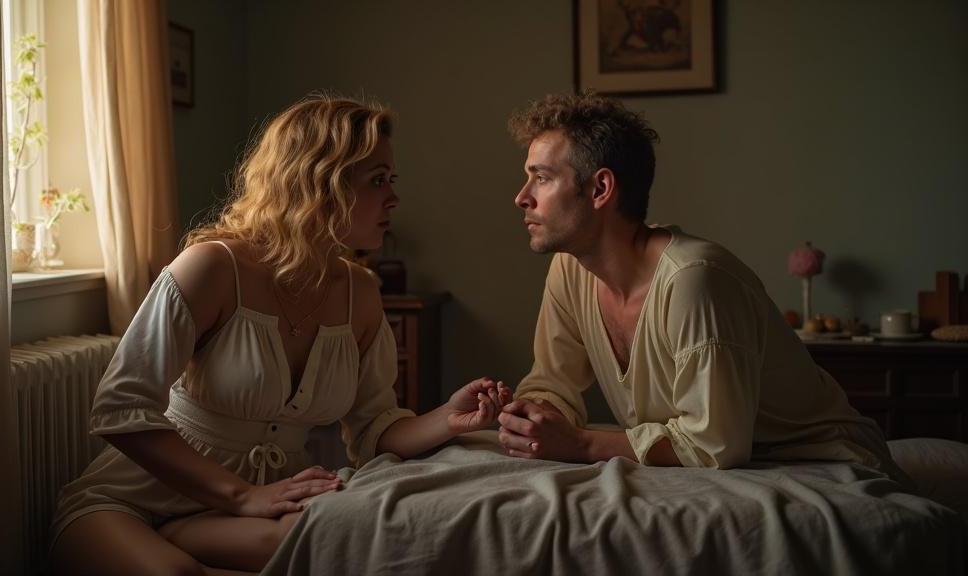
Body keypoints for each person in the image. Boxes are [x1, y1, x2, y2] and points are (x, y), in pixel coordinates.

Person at [50, 94, 509, 575]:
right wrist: (242, 495)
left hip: (240, 513)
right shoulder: (213, 267)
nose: (393, 198)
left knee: (346, 548)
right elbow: (120, 407)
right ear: (320, 182)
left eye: (391, 180)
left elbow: (373, 429)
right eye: (377, 180)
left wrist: (448, 418)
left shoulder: (360, 293)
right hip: (132, 501)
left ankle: (189, 540)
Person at [496, 92, 905, 482]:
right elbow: (552, 382)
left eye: (542, 178)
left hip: (824, 463)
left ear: (600, 189)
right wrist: (528, 417)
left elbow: (714, 444)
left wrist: (582, 444)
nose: (521, 198)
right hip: (743, 468)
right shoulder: (570, 269)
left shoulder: (694, 279)